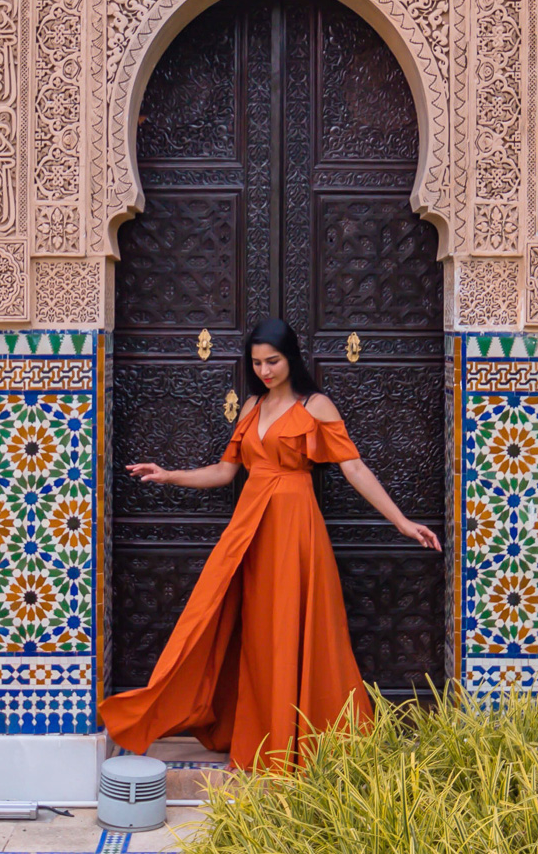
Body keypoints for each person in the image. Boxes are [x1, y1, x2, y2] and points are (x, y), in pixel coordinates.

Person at [98, 318, 441, 771]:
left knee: (298, 626)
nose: (264, 370)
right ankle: (264, 736)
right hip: (250, 530)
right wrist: (168, 474)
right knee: (256, 630)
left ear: (291, 358)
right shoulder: (251, 408)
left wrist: (401, 521)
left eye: (272, 361)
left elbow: (353, 468)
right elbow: (224, 473)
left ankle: (304, 740)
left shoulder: (317, 406)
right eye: (257, 362)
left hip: (296, 528)